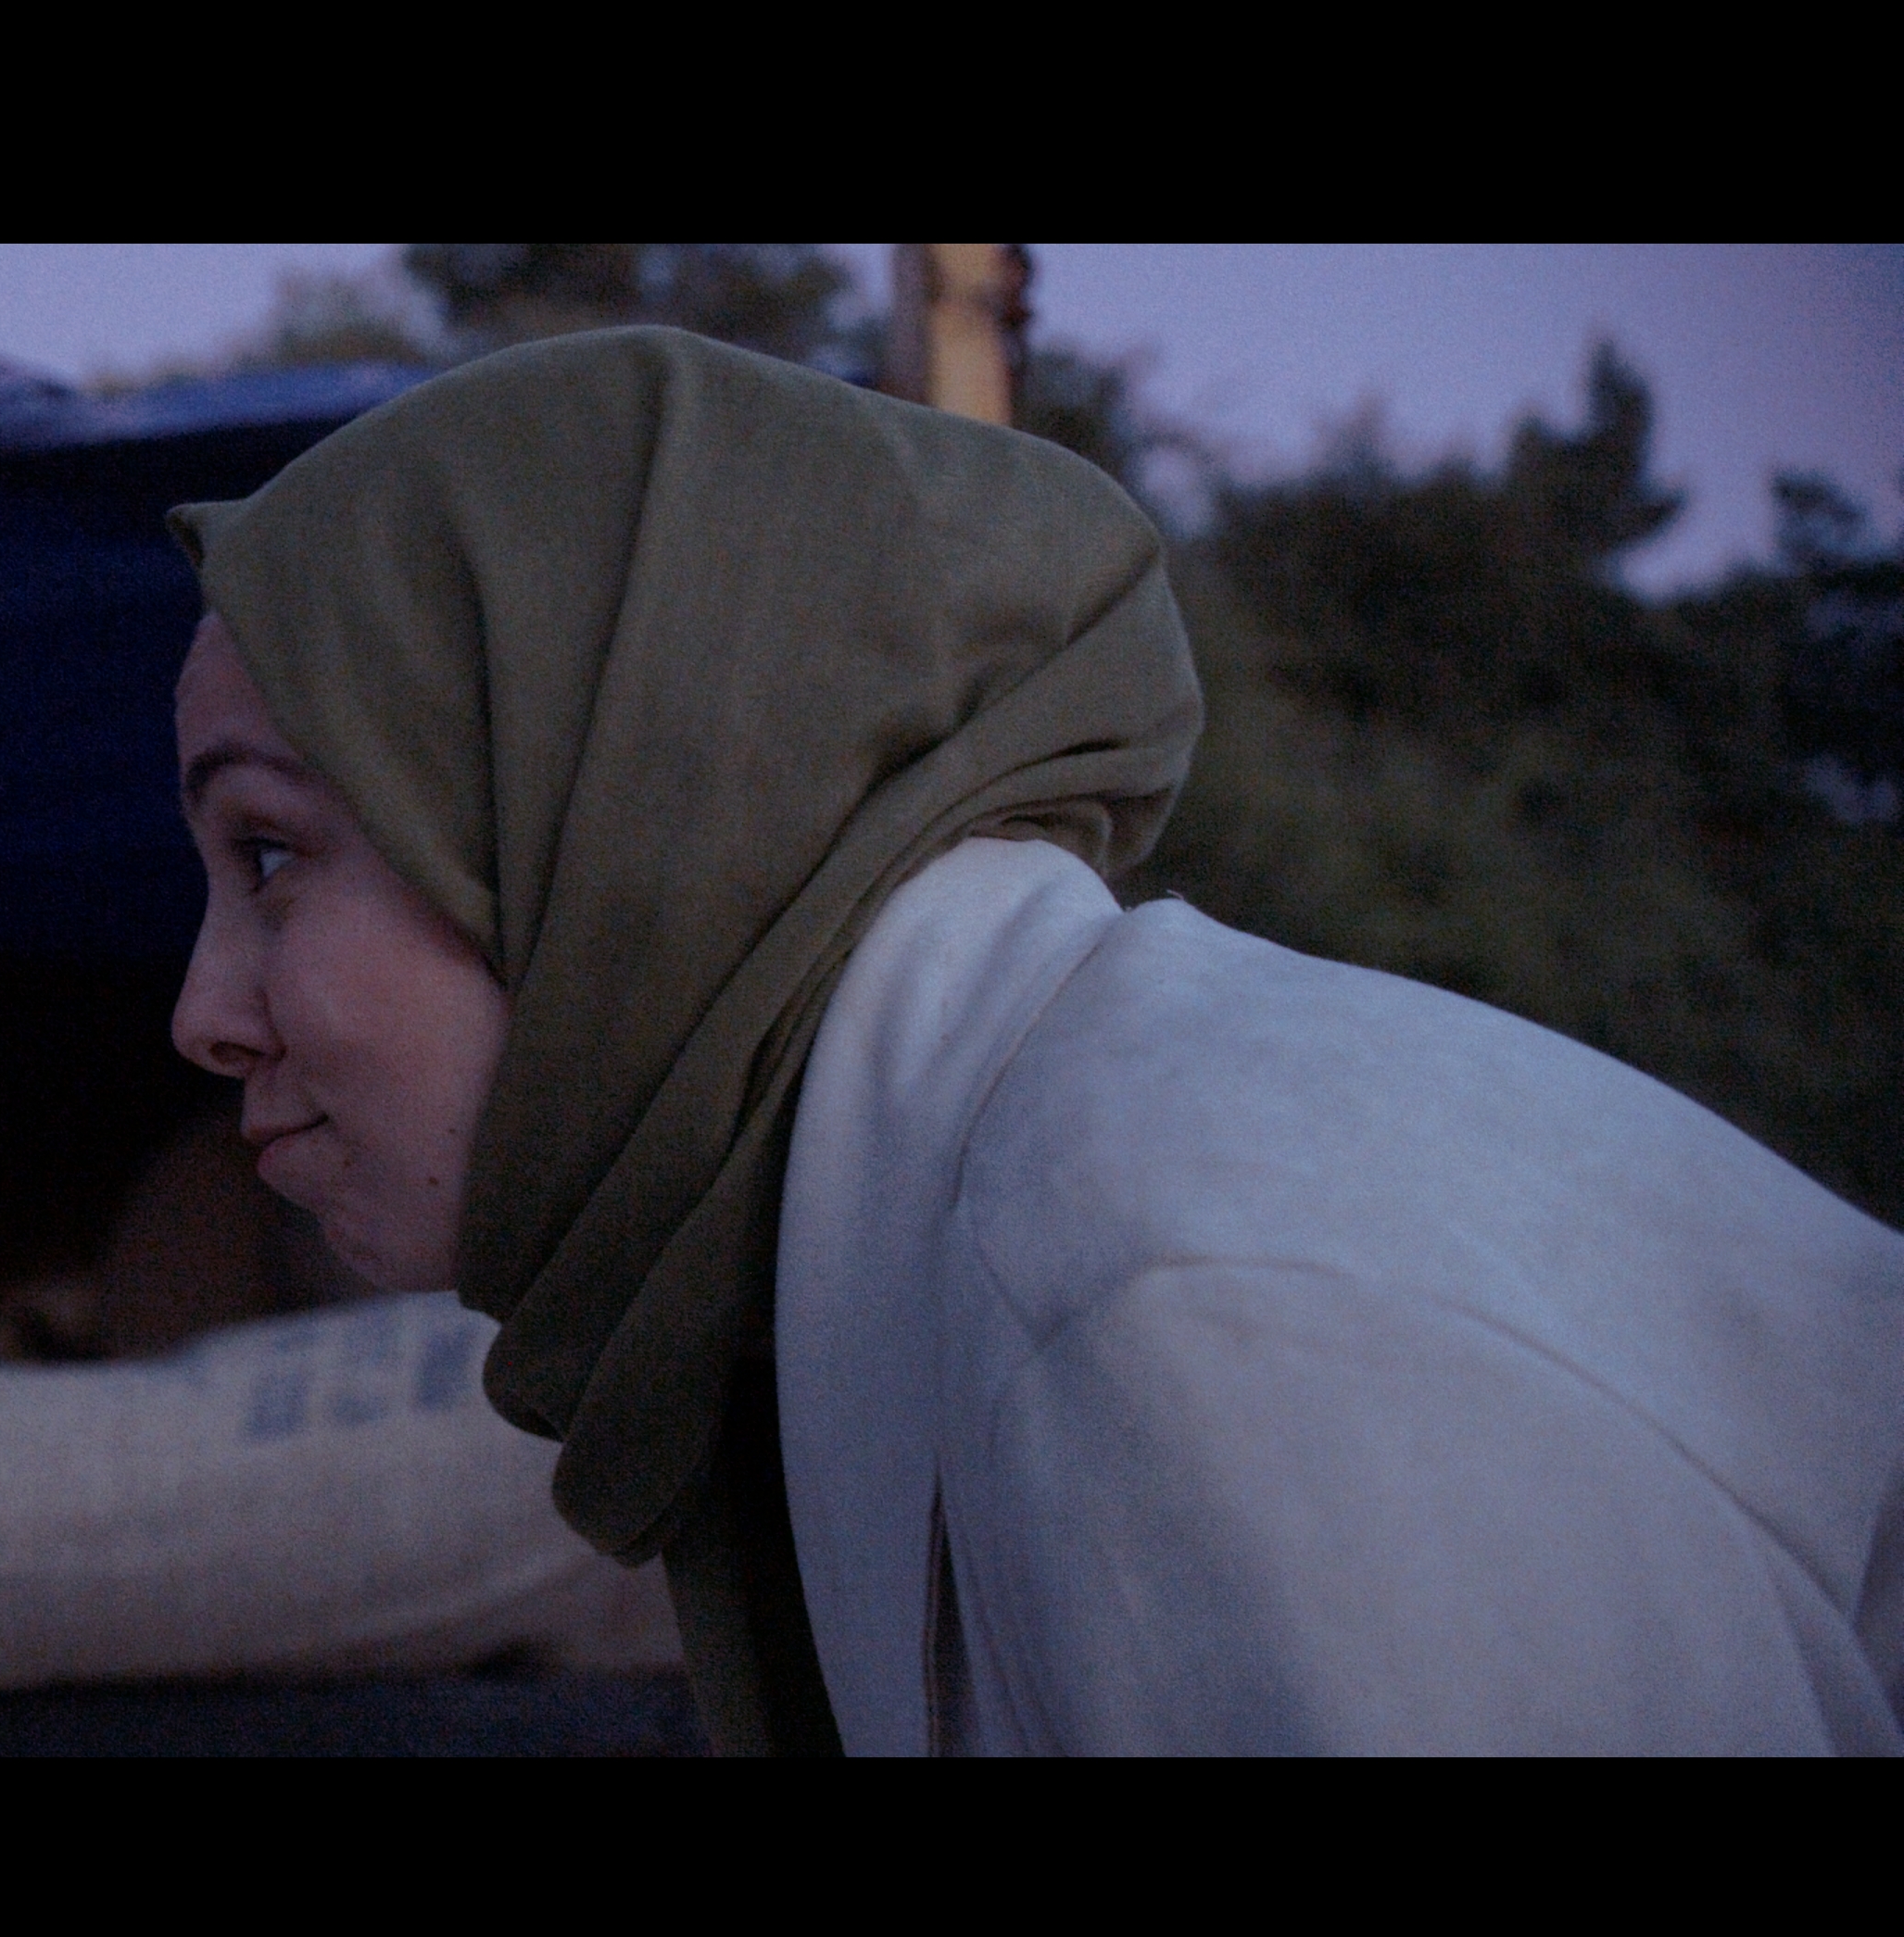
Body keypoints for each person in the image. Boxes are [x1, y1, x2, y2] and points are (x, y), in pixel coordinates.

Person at [165, 327, 1904, 1755]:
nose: (204, 1014)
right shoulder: (928, 1266)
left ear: (618, 810)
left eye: (271, 858)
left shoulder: (1168, 1315)